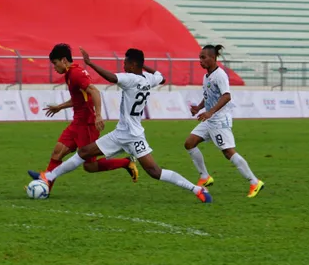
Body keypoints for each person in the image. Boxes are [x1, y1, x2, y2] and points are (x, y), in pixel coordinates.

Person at [28, 47, 212, 203]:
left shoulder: (130, 79)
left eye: (125, 63)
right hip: (134, 133)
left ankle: (48, 176)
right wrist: (142, 65)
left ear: (132, 65)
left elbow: (110, 77)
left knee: (86, 154)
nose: (123, 66)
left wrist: (90, 63)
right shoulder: (150, 79)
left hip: (125, 134)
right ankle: (197, 190)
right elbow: (161, 77)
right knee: (154, 171)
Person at [41, 44, 138, 191]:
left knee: (90, 166)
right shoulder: (70, 73)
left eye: (55, 63)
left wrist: (98, 115)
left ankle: (126, 163)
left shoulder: (76, 74)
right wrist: (60, 107)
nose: (54, 67)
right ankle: (45, 184)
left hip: (87, 125)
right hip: (77, 123)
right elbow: (80, 99)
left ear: (64, 60)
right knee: (57, 152)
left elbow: (94, 91)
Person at [184, 45, 264, 198]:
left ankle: (254, 181)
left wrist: (210, 112)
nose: (200, 60)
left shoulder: (220, 75)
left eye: (203, 57)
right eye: (199, 57)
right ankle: (204, 177)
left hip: (219, 120)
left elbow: (226, 96)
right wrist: (199, 108)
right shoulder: (207, 76)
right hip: (210, 119)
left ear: (213, 58)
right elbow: (208, 94)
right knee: (189, 143)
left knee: (228, 152)